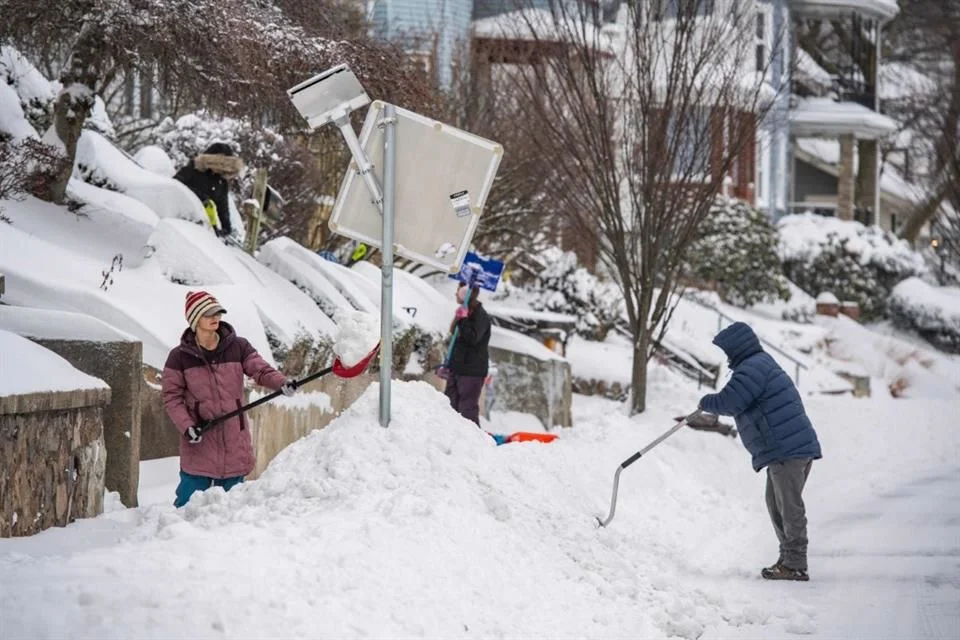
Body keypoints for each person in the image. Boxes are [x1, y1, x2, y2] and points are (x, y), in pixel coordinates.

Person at [697, 321, 822, 582]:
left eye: (727, 350)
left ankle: (796, 563)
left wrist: (705, 402)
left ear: (737, 347)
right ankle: (789, 559)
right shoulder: (758, 364)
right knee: (776, 504)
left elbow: (730, 402)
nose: (727, 357)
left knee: (788, 507)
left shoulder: (752, 369)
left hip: (788, 449)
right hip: (785, 448)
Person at [161, 290, 295, 507]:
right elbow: (172, 397)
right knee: (186, 507)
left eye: (218, 312)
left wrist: (281, 383)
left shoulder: (238, 346)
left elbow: (260, 370)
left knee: (233, 510)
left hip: (234, 439)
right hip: (201, 439)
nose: (216, 317)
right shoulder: (179, 357)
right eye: (208, 313)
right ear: (195, 319)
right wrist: (187, 427)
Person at [445, 282, 492, 426]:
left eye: (458, 291)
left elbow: (472, 338)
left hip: (471, 371)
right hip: (457, 368)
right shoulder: (464, 312)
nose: (455, 294)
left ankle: (473, 442)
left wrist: (464, 319)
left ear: (465, 294)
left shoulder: (480, 316)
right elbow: (455, 336)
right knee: (449, 405)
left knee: (467, 410)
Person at [173, 142, 244, 237]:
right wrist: (201, 197)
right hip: (181, 218)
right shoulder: (192, 171)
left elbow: (223, 206)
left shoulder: (221, 182)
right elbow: (174, 185)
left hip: (202, 226)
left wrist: (226, 228)